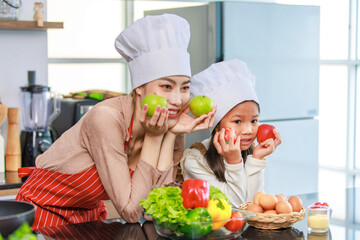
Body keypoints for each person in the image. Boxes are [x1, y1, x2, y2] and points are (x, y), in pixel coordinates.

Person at [15, 13, 215, 229]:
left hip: (88, 219)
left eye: (185, 87)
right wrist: (154, 139)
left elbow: (155, 206)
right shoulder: (106, 119)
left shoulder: (167, 122)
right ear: (139, 87)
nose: (177, 100)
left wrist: (171, 134)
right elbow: (130, 212)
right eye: (166, 87)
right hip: (43, 214)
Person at [180, 59, 281, 208]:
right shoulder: (195, 160)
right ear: (217, 125)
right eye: (237, 121)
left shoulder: (251, 153)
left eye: (254, 120)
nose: (248, 130)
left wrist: (258, 159)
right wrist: (234, 162)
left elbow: (253, 207)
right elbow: (234, 208)